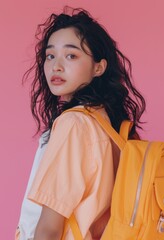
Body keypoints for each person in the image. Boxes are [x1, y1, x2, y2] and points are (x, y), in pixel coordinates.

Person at [16, 6, 146, 240]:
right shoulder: (109, 123)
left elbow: (49, 229)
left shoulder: (74, 124)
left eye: (71, 55)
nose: (56, 66)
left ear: (99, 67)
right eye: (50, 55)